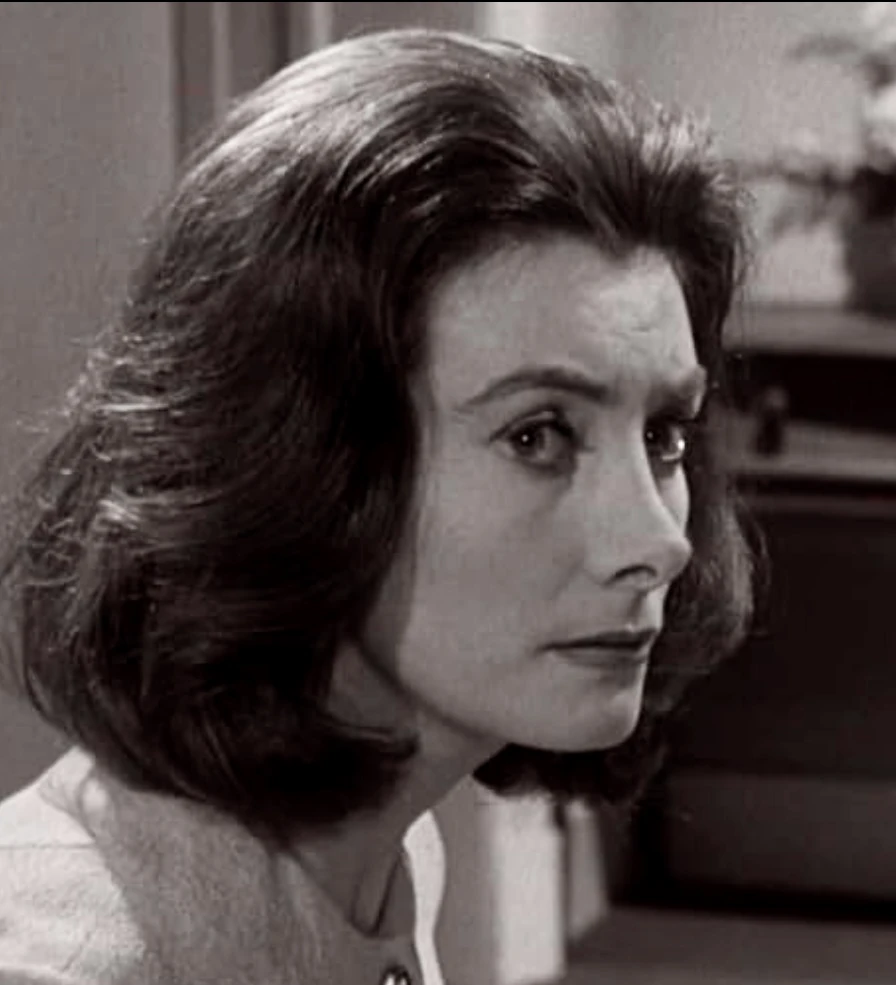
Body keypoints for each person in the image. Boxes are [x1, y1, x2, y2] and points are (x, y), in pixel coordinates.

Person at [0, 27, 754, 985]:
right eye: (539, 435)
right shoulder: (66, 960)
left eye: (663, 435)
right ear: (295, 462)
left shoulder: (389, 856)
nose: (658, 539)